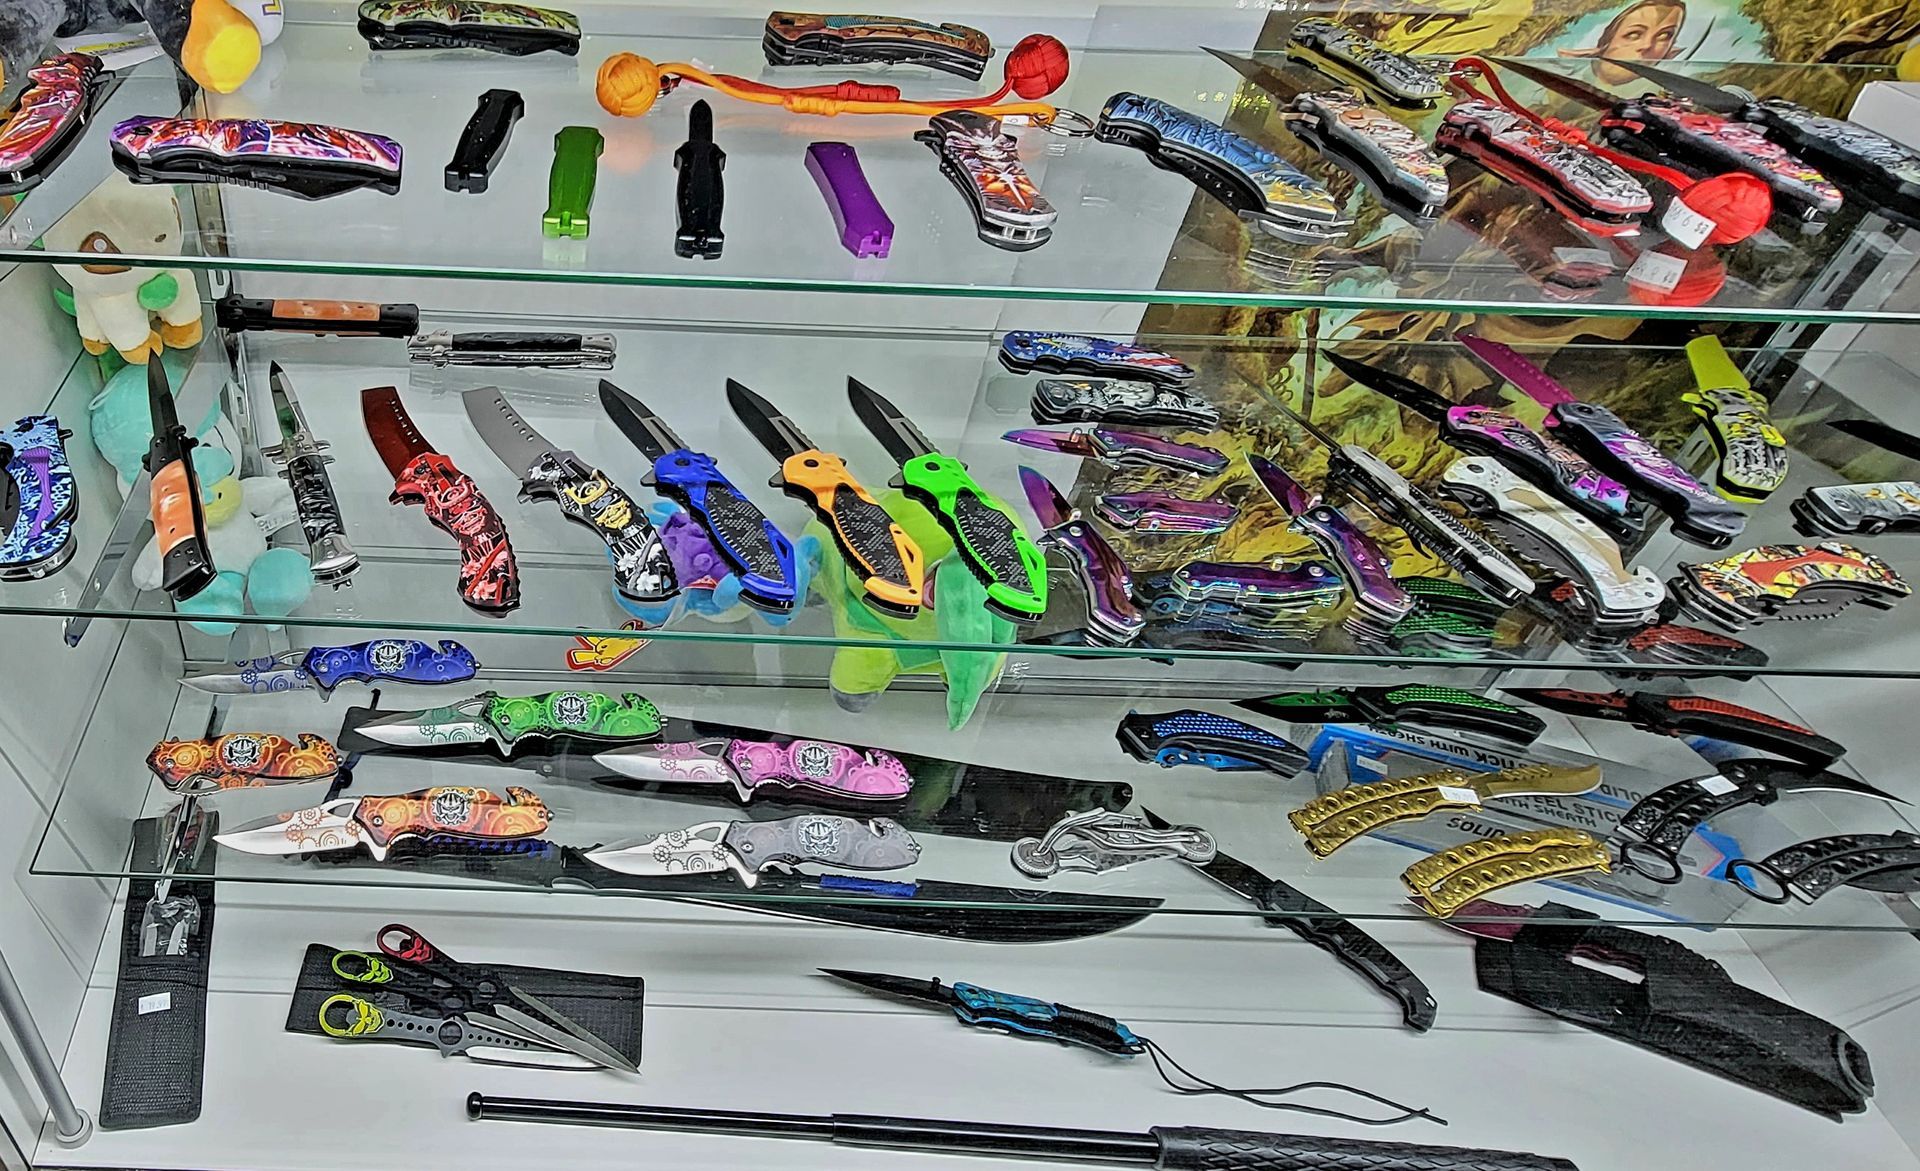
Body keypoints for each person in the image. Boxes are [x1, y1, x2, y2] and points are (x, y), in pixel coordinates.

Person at [1560, 0, 1687, 84]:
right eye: (1634, 34)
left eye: (1664, 35)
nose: (1647, 45)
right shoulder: (1555, 83)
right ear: (1608, 38)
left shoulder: (1670, 93)